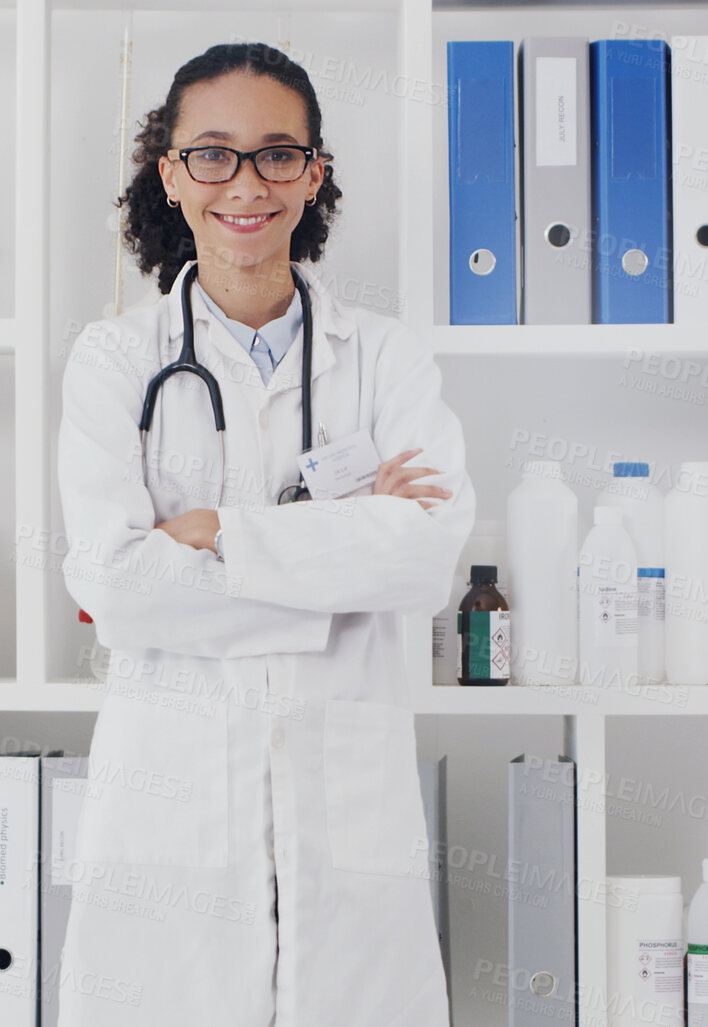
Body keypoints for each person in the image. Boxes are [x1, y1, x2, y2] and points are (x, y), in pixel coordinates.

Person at [54, 42, 473, 1026]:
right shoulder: (116, 359)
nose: (246, 184)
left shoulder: (383, 356)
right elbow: (115, 585)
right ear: (169, 173)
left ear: (314, 172)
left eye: (278, 153)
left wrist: (211, 537)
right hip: (175, 803)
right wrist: (339, 554)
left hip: (347, 806)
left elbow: (426, 558)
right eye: (212, 153)